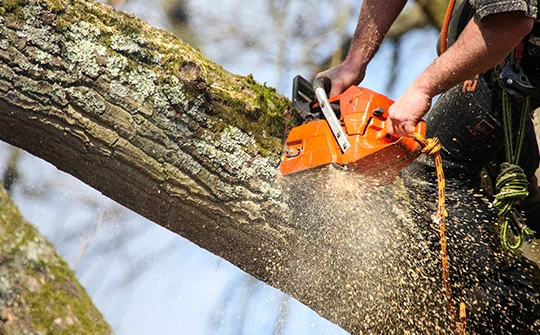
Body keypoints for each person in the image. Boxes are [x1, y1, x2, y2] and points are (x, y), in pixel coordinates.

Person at [317, 0, 540, 334]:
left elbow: (508, 22)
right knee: (517, 202)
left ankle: (509, 310)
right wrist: (355, 61)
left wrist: (422, 88)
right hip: (504, 64)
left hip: (512, 57)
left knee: (435, 165)